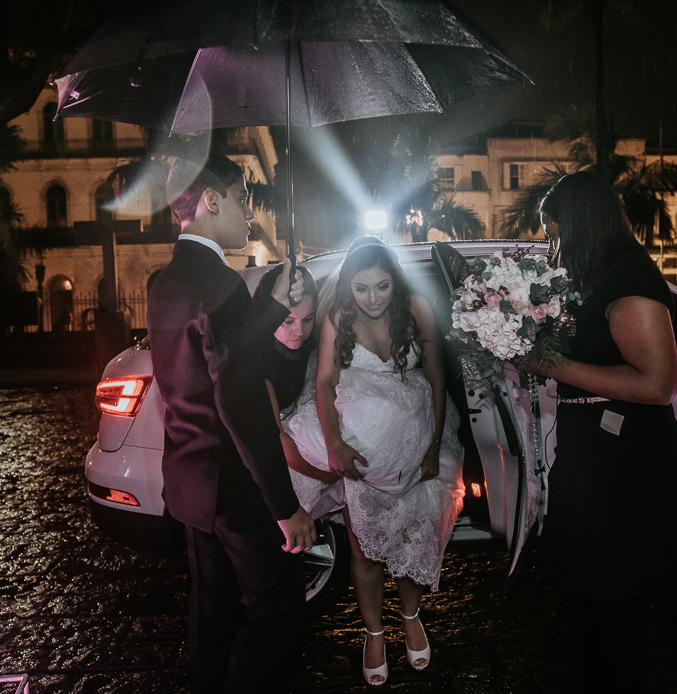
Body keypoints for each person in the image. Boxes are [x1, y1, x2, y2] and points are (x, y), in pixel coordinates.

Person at [145, 155, 316, 694]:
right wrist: (284, 506)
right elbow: (239, 399)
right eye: (243, 199)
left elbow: (207, 359)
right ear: (212, 202)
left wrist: (269, 307)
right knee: (277, 608)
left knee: (211, 611)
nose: (249, 213)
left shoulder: (167, 279)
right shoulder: (219, 280)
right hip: (237, 487)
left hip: (191, 481)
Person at [532, 171, 677, 693]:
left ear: (583, 225)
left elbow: (658, 382)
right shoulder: (593, 277)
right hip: (593, 456)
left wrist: (549, 362)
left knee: (616, 612)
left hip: (626, 467)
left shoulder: (630, 278)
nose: (551, 244)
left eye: (555, 232)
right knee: (594, 604)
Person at [287, 236, 464, 686]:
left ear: (394, 282)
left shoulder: (417, 309)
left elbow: (438, 380)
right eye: (361, 288)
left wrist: (432, 445)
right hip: (362, 454)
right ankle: (373, 633)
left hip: (417, 444)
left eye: (381, 287)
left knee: (408, 539)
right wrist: (334, 445)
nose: (371, 298)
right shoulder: (338, 317)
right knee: (366, 549)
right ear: (349, 286)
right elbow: (325, 383)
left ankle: (410, 617)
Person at [252, 265, 343, 520]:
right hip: (274, 458)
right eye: (287, 321)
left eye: (308, 319)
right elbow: (278, 441)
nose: (299, 331)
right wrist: (330, 477)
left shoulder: (314, 343)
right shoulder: (256, 361)